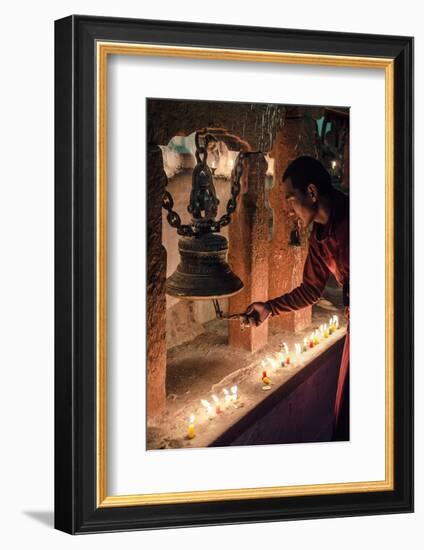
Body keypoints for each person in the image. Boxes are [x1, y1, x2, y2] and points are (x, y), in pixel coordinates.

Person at [244, 155, 350, 440]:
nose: (288, 209)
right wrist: (269, 308)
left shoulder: (356, 220)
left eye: (291, 199)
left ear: (312, 192)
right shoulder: (319, 237)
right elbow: (310, 290)